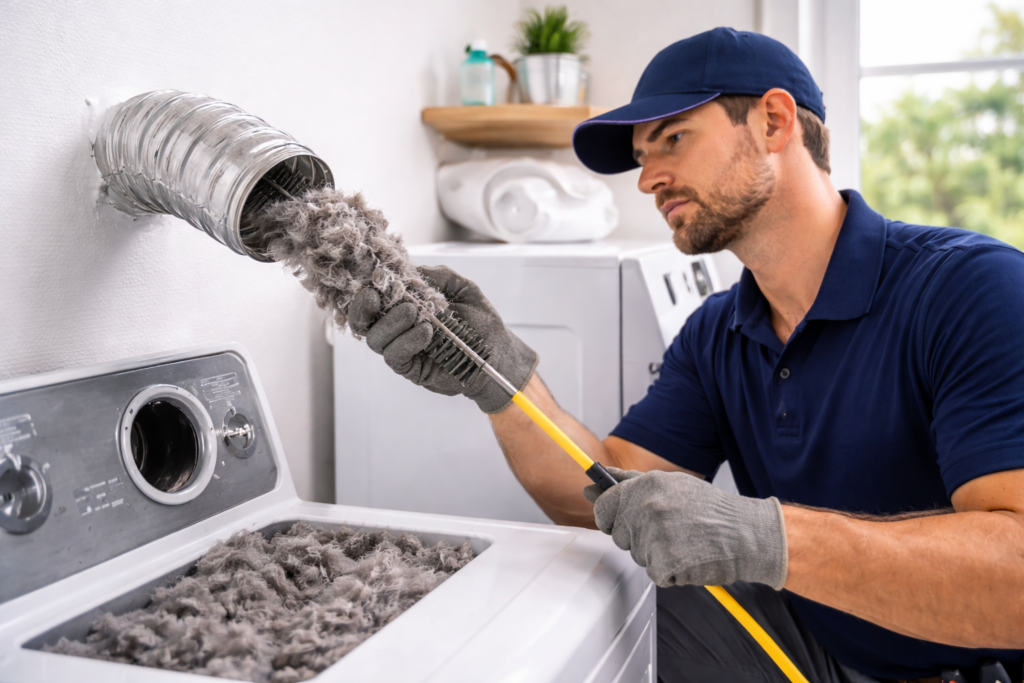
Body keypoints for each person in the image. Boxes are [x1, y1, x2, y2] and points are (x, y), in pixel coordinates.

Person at [350, 28, 1024, 683]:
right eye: (643, 155)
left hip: (961, 665)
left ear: (774, 122)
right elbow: (607, 490)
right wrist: (497, 377)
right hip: (814, 640)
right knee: (593, 590)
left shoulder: (970, 290)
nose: (648, 179)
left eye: (672, 138)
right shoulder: (718, 332)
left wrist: (767, 537)